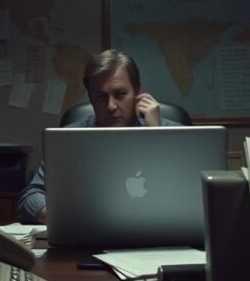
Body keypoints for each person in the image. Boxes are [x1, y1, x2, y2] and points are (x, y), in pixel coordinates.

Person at [17, 49, 180, 223]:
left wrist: (156, 135)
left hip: (160, 236)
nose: (110, 106)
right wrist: (65, 219)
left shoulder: (176, 133)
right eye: (101, 97)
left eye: (119, 94)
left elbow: (187, 194)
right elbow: (30, 197)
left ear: (137, 90)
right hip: (89, 236)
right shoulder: (69, 140)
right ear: (90, 97)